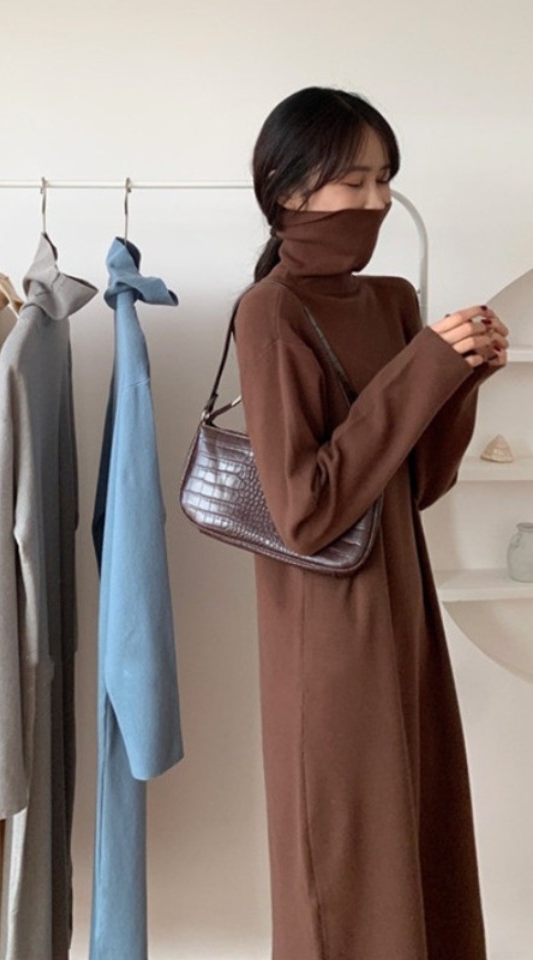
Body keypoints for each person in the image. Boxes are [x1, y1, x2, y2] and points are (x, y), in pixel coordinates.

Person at [233, 87, 507, 960]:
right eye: (354, 182)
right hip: (328, 635)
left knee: (420, 842)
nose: (378, 201)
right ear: (288, 189)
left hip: (404, 611)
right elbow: (306, 511)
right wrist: (423, 369)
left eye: (385, 179)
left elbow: (417, 483)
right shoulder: (270, 311)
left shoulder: (391, 301)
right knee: (348, 874)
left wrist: (459, 380)